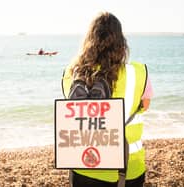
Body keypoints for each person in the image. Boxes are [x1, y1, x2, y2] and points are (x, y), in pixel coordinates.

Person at [62, 12, 153, 187]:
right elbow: (145, 106)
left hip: (84, 164)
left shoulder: (72, 73)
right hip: (128, 168)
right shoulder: (138, 73)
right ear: (121, 42)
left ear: (88, 41)